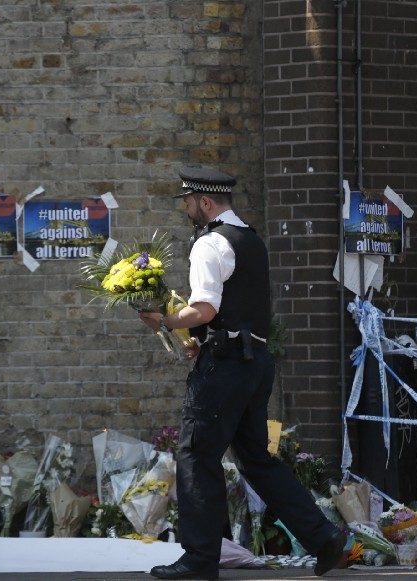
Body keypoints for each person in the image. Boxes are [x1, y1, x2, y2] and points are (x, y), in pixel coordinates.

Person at [139, 166, 347, 580]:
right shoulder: (251, 240)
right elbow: (233, 311)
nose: (186, 208)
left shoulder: (209, 243)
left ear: (206, 202)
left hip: (225, 369)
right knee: (255, 457)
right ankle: (323, 538)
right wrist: (202, 336)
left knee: (197, 457)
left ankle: (199, 560)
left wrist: (164, 320)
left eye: (188, 201)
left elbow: (205, 308)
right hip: (255, 365)